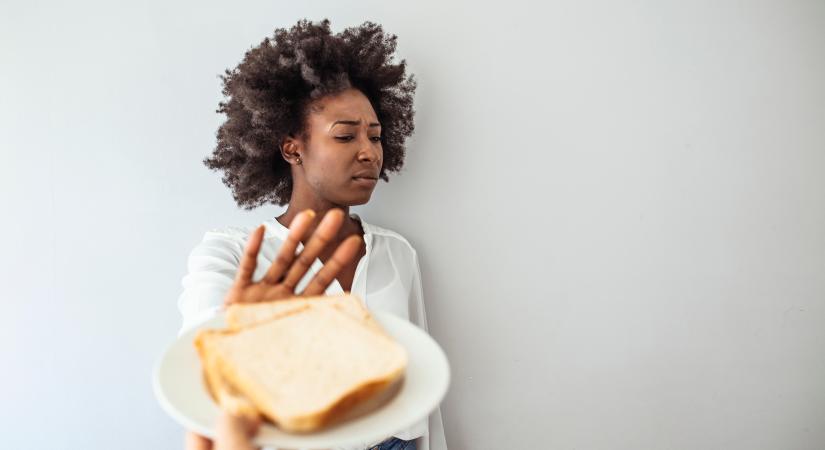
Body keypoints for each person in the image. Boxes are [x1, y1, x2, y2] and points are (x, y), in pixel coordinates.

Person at [176, 18, 447, 450]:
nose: (369, 152)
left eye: (376, 137)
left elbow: (422, 391)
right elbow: (197, 361)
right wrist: (246, 336)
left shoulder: (397, 253)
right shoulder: (231, 253)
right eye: (345, 136)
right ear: (292, 148)